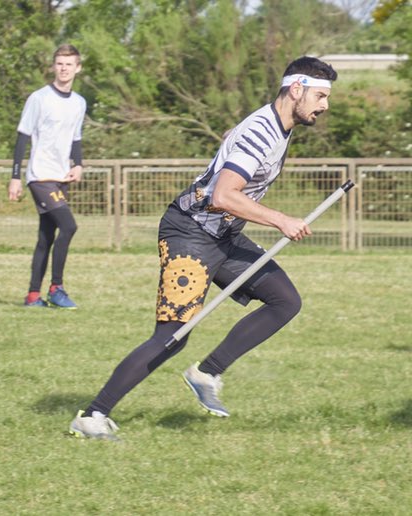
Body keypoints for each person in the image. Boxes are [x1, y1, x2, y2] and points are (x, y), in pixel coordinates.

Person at [70, 56, 336, 440]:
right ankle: (92, 415)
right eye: (320, 95)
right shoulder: (261, 132)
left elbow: (232, 148)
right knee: (172, 336)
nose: (325, 105)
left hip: (224, 236)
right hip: (190, 235)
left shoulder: (274, 125)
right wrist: (281, 219)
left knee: (285, 300)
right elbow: (224, 195)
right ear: (296, 89)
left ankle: (207, 372)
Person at [7, 44, 85, 309]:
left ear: (78, 68)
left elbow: (76, 138)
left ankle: (32, 296)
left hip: (61, 176)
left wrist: (79, 164)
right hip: (40, 176)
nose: (64, 69)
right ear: (54, 66)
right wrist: (16, 176)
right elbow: (22, 137)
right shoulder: (39, 98)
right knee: (70, 226)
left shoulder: (79, 102)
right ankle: (56, 288)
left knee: (46, 237)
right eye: (60, 64)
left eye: (69, 64)